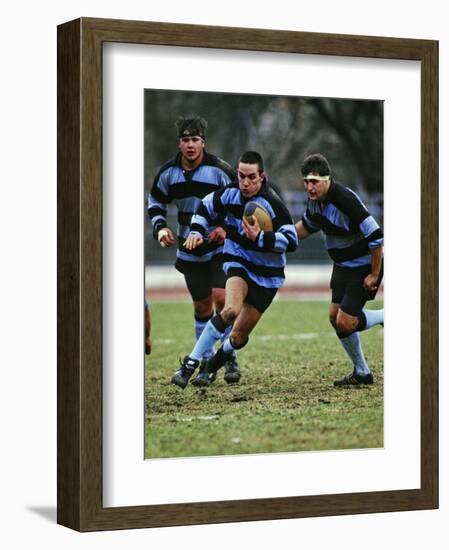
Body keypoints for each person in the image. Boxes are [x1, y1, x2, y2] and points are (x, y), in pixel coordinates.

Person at [171, 151, 298, 388]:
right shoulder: (229, 193)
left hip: (267, 277)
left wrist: (261, 237)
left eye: (251, 177)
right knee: (229, 309)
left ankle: (214, 364)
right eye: (241, 176)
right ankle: (191, 363)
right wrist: (197, 231)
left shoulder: (273, 204)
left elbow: (291, 241)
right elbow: (205, 208)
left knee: (238, 338)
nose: (245, 183)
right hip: (237, 261)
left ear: (262, 177)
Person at [147, 115, 240, 383]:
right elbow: (155, 201)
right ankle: (207, 363)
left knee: (222, 299)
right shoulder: (168, 174)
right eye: (185, 140)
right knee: (202, 307)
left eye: (195, 140)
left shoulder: (221, 171)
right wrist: (161, 228)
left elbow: (240, 200)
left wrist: (225, 228)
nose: (190, 145)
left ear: (203, 143)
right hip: (189, 249)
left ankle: (229, 358)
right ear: (179, 144)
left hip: (220, 247)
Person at [295, 153, 384, 386]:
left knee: (345, 321)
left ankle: (386, 315)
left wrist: (374, 274)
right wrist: (272, 239)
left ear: (327, 179)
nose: (309, 186)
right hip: (342, 266)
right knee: (335, 318)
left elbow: (376, 237)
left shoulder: (345, 200)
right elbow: (305, 227)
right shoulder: (314, 202)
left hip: (363, 266)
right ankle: (362, 373)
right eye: (306, 181)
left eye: (314, 181)